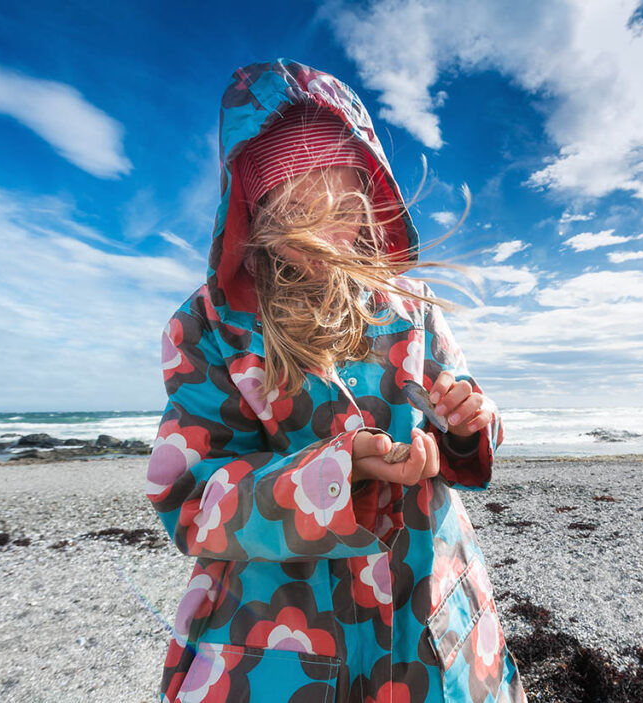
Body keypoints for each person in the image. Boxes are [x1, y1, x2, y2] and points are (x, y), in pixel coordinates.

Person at [146, 59, 527, 703]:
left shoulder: (414, 308)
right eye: (295, 211)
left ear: (368, 191)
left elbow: (462, 419)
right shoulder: (210, 328)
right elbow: (188, 498)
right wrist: (336, 471)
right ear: (254, 210)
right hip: (281, 636)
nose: (323, 236)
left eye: (340, 206)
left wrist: (466, 423)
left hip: (424, 610)